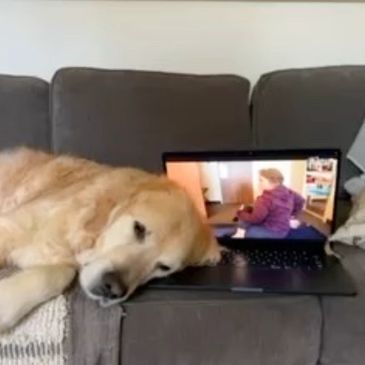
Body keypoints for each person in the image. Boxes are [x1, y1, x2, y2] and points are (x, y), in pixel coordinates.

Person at [235, 168, 305, 239]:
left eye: (261, 180)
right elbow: (301, 201)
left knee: (248, 225)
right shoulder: (288, 191)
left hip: (272, 233)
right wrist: (292, 215)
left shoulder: (264, 199)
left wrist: (239, 213)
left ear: (273, 182)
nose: (259, 183)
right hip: (284, 231)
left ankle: (239, 234)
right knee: (249, 209)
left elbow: (255, 219)